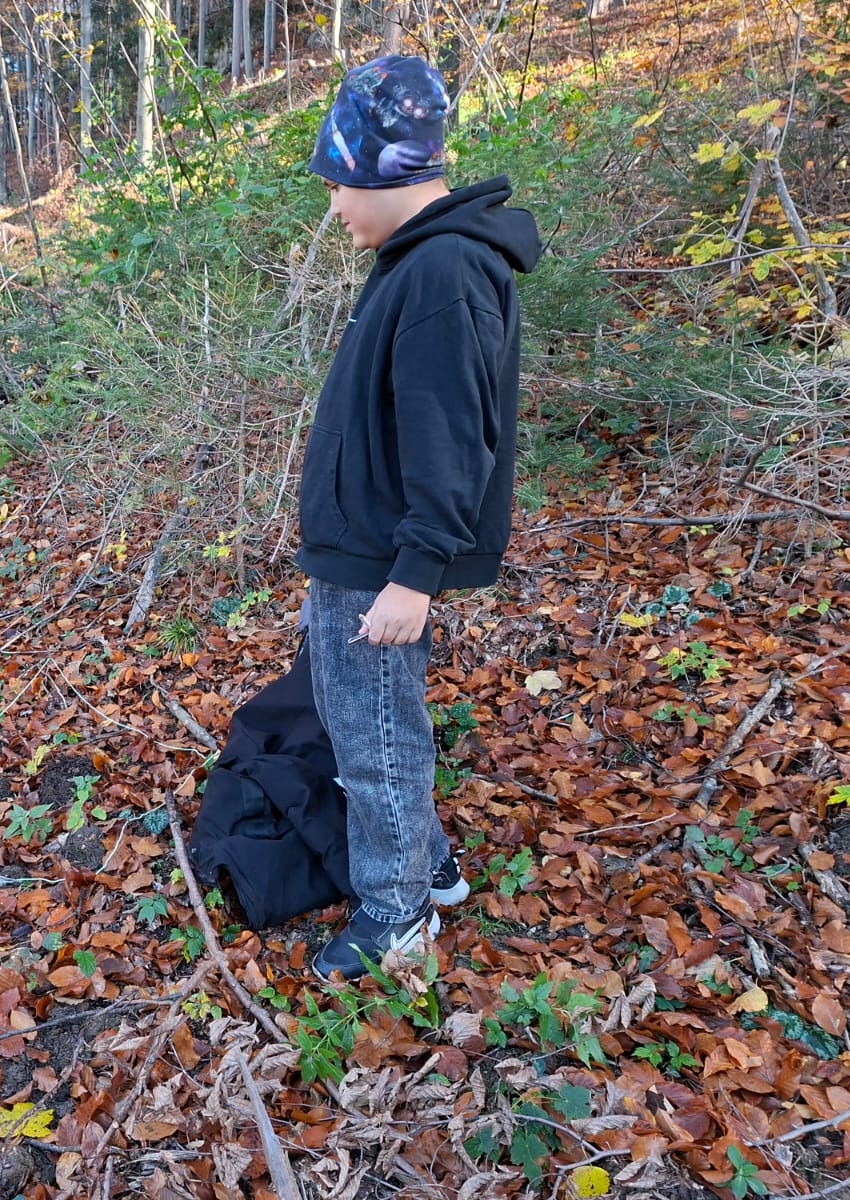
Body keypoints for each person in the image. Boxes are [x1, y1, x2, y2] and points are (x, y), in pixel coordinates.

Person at [298, 55, 541, 980]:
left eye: (336, 187)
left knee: (373, 737)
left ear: (376, 170)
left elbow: (452, 434)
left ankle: (396, 914)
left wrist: (416, 572)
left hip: (383, 558)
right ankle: (426, 866)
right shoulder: (419, 262)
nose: (334, 210)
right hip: (360, 546)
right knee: (362, 717)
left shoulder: (444, 269)